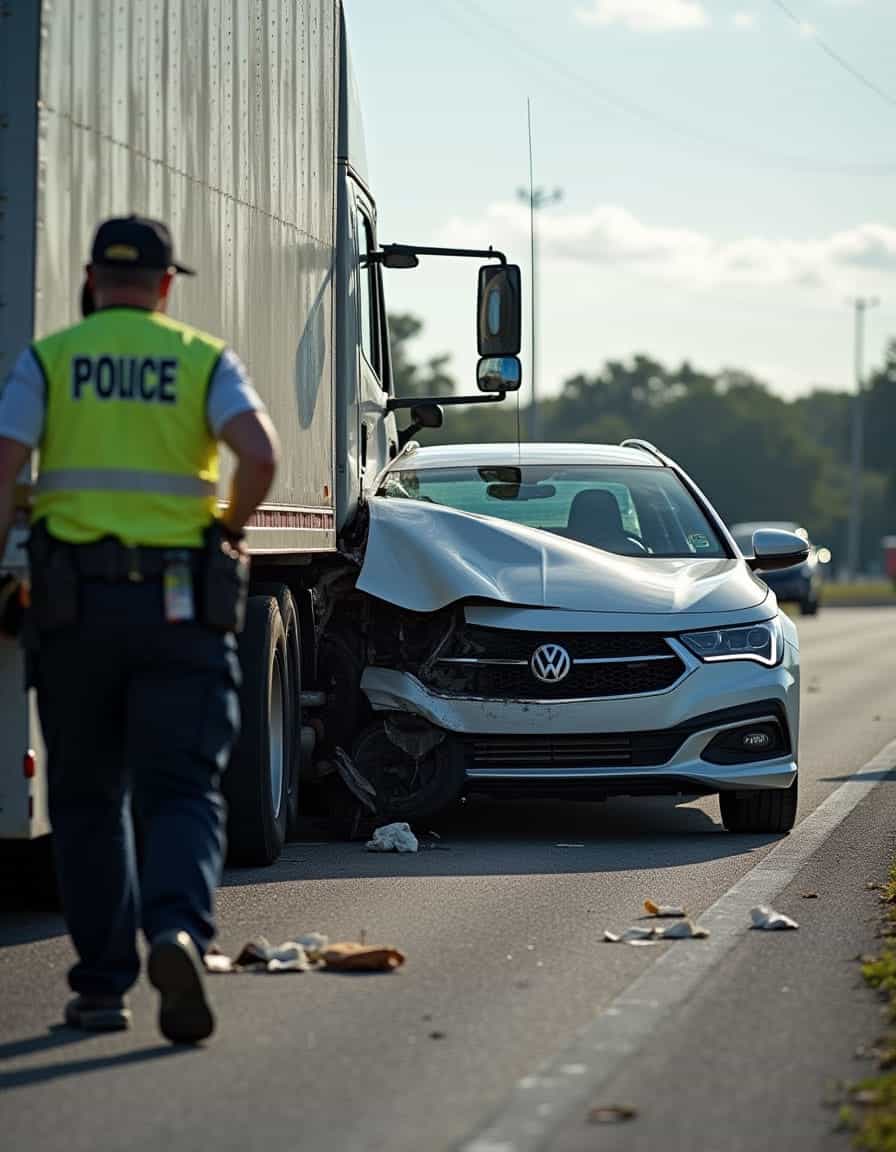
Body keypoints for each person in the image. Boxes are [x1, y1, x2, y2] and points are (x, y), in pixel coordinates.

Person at [0, 215, 279, 1044]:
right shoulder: (201, 357)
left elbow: (6, 460)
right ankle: (178, 935)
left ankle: (100, 989)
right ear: (164, 286)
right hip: (181, 609)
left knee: (88, 800)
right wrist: (227, 525)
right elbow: (258, 454)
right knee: (183, 788)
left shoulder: (50, 359)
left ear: (92, 280)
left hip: (74, 611)